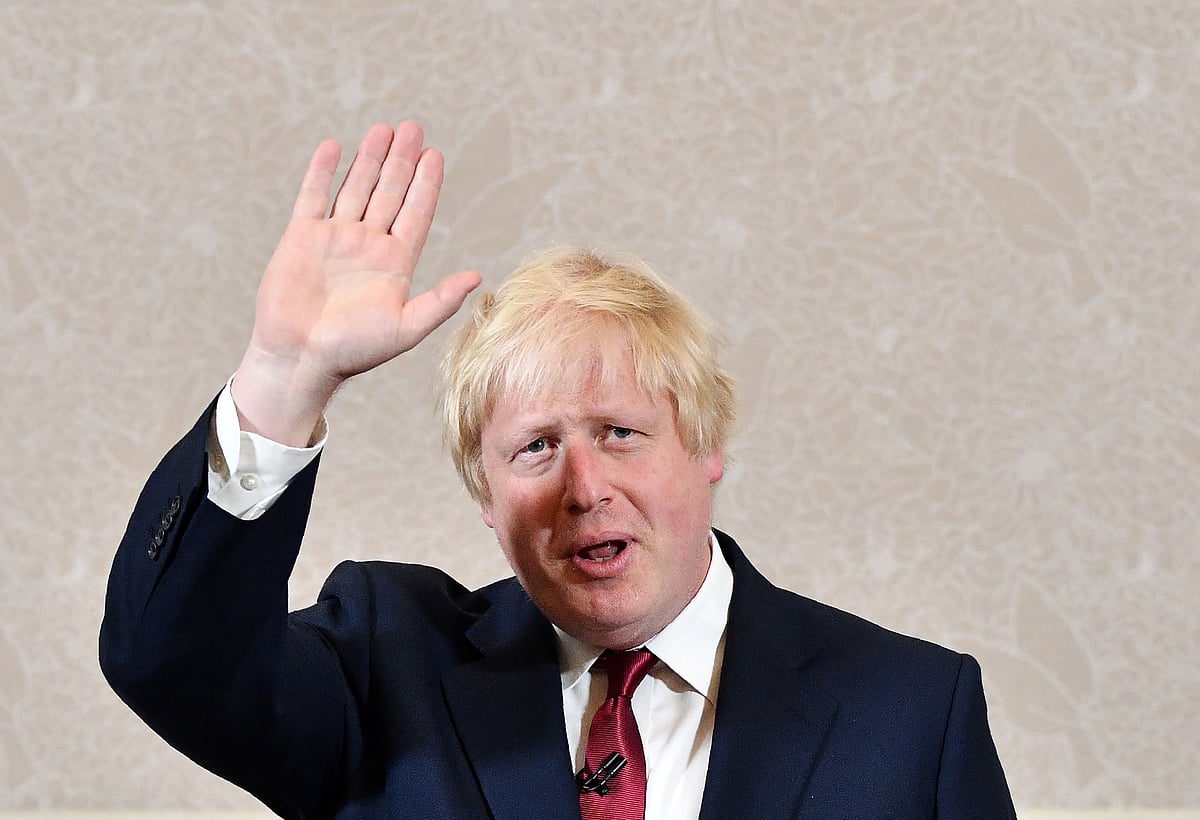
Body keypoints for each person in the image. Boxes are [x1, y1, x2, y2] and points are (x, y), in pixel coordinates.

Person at [100, 121, 1016, 819]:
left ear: (706, 448)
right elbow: (170, 661)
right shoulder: (385, 670)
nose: (584, 488)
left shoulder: (910, 713)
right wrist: (283, 376)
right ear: (486, 496)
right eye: (535, 447)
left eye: (620, 432)